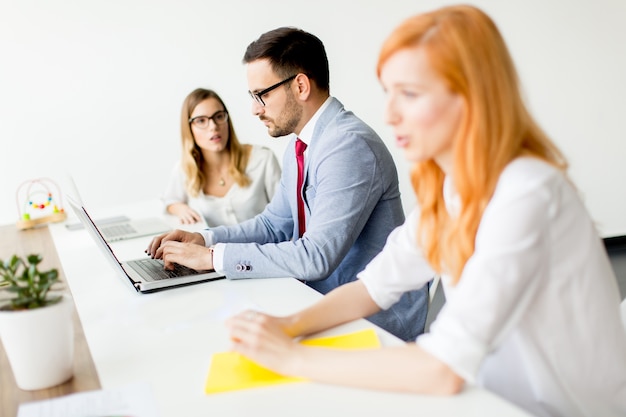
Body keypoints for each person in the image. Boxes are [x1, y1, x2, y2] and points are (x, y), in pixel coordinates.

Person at [223, 5, 626, 417]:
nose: (390, 114)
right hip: (496, 397)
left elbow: (442, 369)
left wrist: (292, 359)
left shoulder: (527, 192)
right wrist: (287, 326)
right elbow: (374, 287)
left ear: (470, 97)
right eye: (389, 93)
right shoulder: (454, 187)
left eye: (410, 94)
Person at [147, 28, 429, 342]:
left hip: (375, 323)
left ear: (300, 85)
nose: (255, 109)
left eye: (261, 95)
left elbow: (316, 257)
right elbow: (274, 225)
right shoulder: (303, 145)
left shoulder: (349, 146)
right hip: (320, 300)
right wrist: (205, 238)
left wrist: (214, 259)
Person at [162, 88, 281, 226]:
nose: (213, 127)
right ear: (189, 129)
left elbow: (287, 215)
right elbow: (169, 200)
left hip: (265, 246)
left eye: (218, 117)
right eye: (201, 121)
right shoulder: (185, 168)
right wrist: (180, 208)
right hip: (216, 247)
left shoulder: (263, 158)